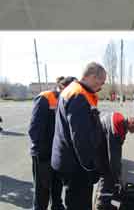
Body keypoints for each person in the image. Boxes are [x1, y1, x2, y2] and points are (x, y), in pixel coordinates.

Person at [51, 63, 106, 210]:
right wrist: (90, 167)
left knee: (75, 201)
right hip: (76, 166)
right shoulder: (79, 96)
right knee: (79, 204)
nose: (101, 87)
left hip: (68, 161)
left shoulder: (72, 90)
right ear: (93, 77)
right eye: (101, 82)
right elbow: (80, 138)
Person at [29, 76, 75, 210]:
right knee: (42, 191)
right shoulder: (45, 98)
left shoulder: (66, 100)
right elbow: (34, 130)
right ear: (63, 87)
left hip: (57, 154)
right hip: (43, 154)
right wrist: (42, 152)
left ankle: (57, 206)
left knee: (57, 187)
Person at [95, 112, 134, 210]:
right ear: (133, 121)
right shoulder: (117, 128)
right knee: (109, 174)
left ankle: (105, 201)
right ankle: (102, 204)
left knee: (110, 173)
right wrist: (118, 178)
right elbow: (114, 158)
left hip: (99, 146)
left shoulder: (120, 121)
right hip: (97, 149)